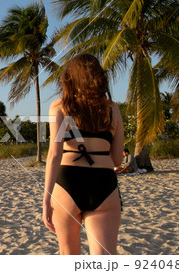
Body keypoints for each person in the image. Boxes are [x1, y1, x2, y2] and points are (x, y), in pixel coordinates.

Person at [43, 54, 124, 255]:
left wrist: (46, 200)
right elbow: (116, 159)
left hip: (68, 182)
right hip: (103, 183)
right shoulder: (112, 109)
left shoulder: (60, 106)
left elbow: (54, 154)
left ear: (70, 79)